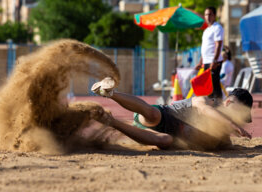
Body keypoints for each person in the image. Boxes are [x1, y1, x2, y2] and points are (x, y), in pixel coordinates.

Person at [91, 77, 253, 150]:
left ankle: (111, 121)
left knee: (165, 140)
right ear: (229, 102)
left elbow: (221, 145)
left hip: (152, 133)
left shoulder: (221, 134)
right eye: (240, 113)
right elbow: (205, 110)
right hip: (161, 117)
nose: (239, 120)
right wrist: (231, 124)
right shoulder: (206, 101)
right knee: (153, 115)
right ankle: (111, 93)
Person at [195, 6, 224, 100]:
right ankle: (211, 107)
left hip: (214, 61)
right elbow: (205, 48)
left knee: (214, 84)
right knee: (208, 86)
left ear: (214, 16)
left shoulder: (217, 28)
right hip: (206, 61)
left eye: (210, 14)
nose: (207, 16)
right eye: (206, 14)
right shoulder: (206, 30)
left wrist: (215, 60)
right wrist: (200, 62)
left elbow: (218, 44)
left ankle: (220, 107)